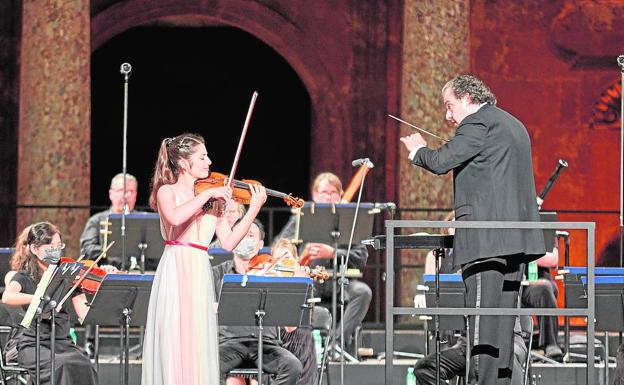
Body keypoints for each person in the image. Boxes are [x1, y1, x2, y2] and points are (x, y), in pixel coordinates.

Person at [401, 75, 545, 385]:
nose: (447, 116)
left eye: (449, 106)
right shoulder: (513, 124)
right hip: (515, 244)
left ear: (468, 98)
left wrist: (418, 150)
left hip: (486, 242)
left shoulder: (478, 122)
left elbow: (442, 161)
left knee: (482, 324)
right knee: (502, 327)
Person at [141, 133, 267, 385]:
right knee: (175, 338)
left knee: (196, 340)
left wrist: (253, 209)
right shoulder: (168, 192)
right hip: (176, 268)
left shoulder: (212, 199)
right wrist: (207, 196)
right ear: (185, 164)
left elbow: (229, 242)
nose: (209, 162)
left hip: (199, 268)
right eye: (202, 157)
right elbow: (176, 218)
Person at [274, 172, 372, 355]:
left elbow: (361, 256)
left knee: (363, 292)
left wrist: (333, 252)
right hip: (310, 282)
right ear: (315, 195)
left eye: (334, 192)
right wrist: (301, 256)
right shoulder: (301, 218)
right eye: (324, 192)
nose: (329, 197)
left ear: (341, 195)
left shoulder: (349, 221)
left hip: (339, 282)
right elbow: (278, 246)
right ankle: (293, 348)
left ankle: (334, 346)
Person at [2, 222, 98, 385]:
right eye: (50, 246)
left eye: (58, 245)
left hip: (63, 342)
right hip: (34, 344)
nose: (56, 250)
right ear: (34, 248)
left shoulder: (67, 275)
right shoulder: (24, 276)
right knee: (60, 366)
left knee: (84, 365)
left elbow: (84, 312)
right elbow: (7, 296)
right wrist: (38, 296)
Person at [212, 220, 303, 385]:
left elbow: (290, 326)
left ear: (260, 244)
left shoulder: (272, 272)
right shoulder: (216, 273)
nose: (245, 238)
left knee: (292, 366)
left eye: (251, 235)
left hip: (266, 343)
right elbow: (201, 306)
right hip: (230, 343)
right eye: (241, 233)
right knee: (209, 365)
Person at [79, 172, 139, 266]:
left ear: (135, 195)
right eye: (121, 190)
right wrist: (113, 250)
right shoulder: (96, 220)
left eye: (130, 191)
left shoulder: (143, 221)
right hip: (106, 274)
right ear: (111, 194)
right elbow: (86, 250)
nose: (126, 196)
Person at [521, 241, 563, 360]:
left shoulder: (545, 227)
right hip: (517, 280)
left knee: (546, 288)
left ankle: (550, 343)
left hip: (541, 281)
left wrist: (526, 255)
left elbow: (553, 260)